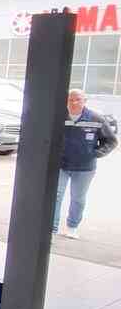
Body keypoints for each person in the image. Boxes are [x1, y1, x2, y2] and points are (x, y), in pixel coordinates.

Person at [53, 89, 117, 238]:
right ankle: (52, 228)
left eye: (78, 100)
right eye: (71, 100)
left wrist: (96, 153)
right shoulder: (58, 116)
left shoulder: (96, 119)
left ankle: (72, 227)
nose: (74, 103)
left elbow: (111, 141)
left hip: (84, 168)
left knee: (78, 198)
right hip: (62, 165)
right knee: (55, 195)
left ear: (84, 101)